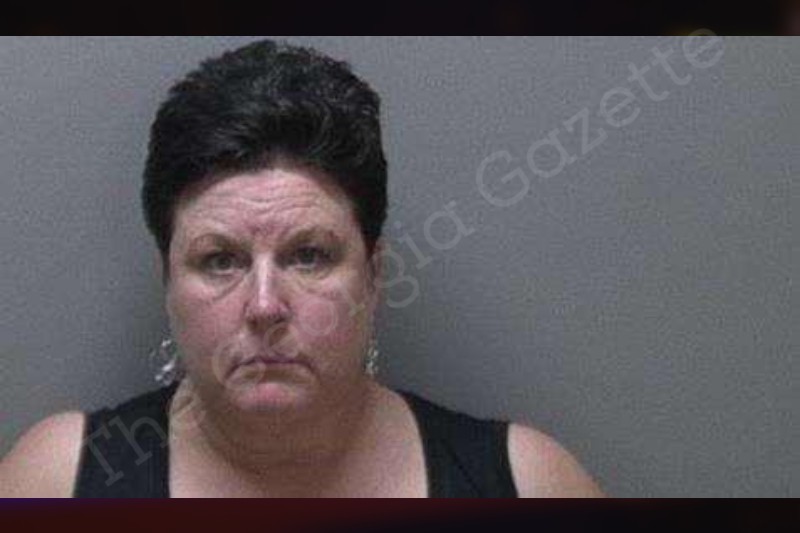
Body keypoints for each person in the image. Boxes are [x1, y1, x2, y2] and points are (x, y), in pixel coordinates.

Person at [0, 38, 604, 498]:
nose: (265, 306)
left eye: (309, 255)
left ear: (374, 275)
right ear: (168, 281)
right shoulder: (58, 480)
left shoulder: (526, 483)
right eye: (220, 261)